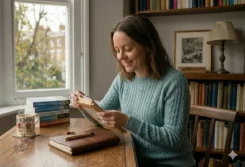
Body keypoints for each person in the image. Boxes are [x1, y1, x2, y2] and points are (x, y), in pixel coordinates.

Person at [71, 15, 194, 167]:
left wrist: (128, 122)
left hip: (170, 164)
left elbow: (174, 139)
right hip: (133, 159)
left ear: (148, 46)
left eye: (127, 49)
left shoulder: (175, 81)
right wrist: (84, 103)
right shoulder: (123, 79)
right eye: (117, 50)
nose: (121, 56)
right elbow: (101, 116)